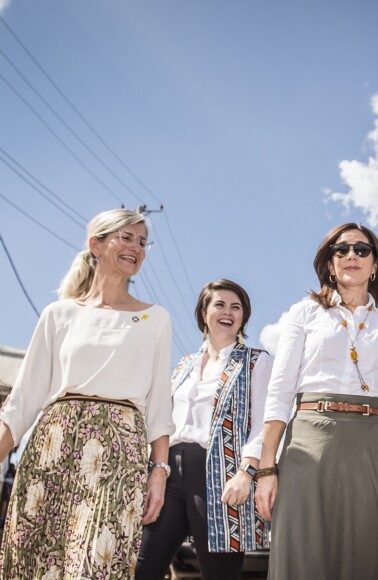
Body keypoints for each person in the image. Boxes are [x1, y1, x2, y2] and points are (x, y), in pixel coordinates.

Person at [0, 208, 174, 578]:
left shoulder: (155, 318)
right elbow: (23, 401)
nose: (136, 248)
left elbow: (159, 404)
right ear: (96, 244)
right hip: (52, 447)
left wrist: (158, 473)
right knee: (36, 556)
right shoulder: (58, 314)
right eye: (126, 237)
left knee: (98, 559)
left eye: (143, 242)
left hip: (118, 450)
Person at [255, 223, 378, 580]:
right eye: (341, 250)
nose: (352, 256)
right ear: (329, 265)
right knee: (303, 555)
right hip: (307, 445)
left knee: (368, 555)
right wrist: (267, 469)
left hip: (367, 447)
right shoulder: (304, 313)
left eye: (362, 250)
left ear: (375, 264)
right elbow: (280, 394)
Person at [136, 279, 272, 580]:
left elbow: (265, 423)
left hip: (220, 474)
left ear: (243, 317)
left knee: (219, 573)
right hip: (169, 471)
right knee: (144, 567)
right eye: (220, 305)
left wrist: (246, 472)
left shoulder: (256, 362)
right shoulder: (183, 365)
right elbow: (161, 419)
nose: (228, 312)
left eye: (236, 307)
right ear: (203, 312)